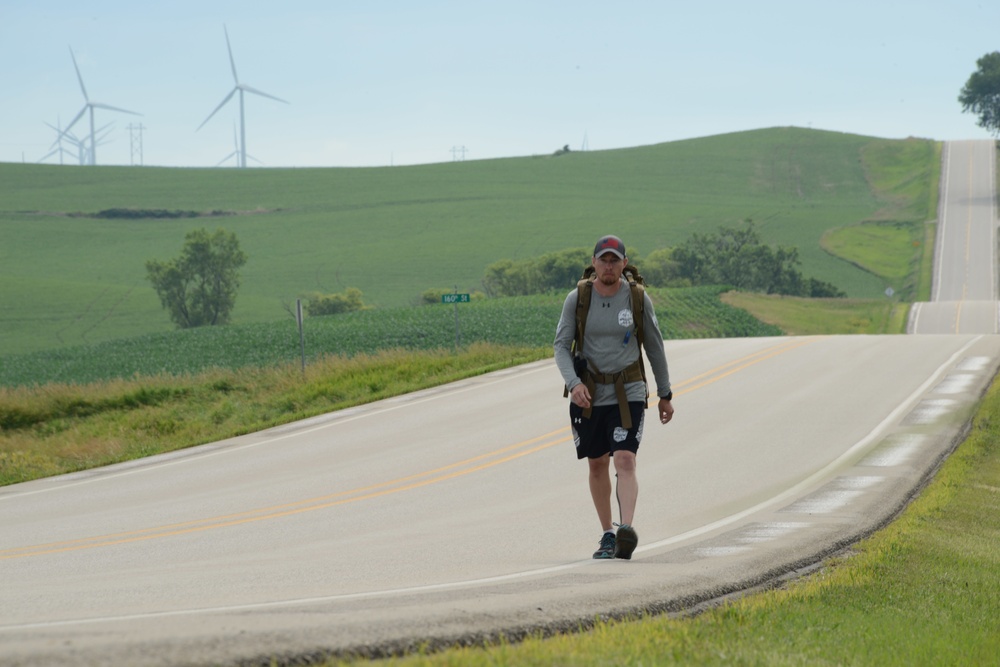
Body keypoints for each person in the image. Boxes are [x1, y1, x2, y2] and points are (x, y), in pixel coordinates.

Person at [553, 234, 674, 560]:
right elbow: (561, 347)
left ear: (624, 264)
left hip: (628, 392)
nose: (608, 266)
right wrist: (574, 383)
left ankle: (626, 531)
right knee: (596, 464)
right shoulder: (577, 298)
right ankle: (608, 533)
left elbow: (654, 345)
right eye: (603, 260)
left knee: (624, 459)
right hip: (589, 395)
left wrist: (665, 393)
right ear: (594, 263)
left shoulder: (636, 298)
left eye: (614, 260)